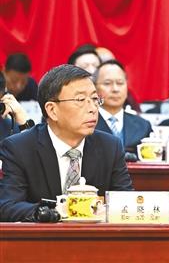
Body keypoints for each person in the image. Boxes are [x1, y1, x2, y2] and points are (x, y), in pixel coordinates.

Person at [0, 64, 133, 222]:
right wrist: (54, 211)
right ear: (52, 110)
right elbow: (8, 206)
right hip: (44, 236)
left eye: (95, 99)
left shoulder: (110, 146)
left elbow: (127, 203)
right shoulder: (19, 147)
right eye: (80, 100)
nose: (93, 108)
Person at [93, 60, 152, 155]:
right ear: (94, 88)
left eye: (120, 83)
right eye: (107, 83)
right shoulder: (85, 123)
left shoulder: (143, 126)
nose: (115, 89)